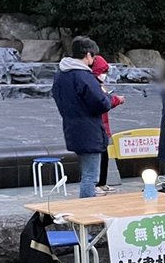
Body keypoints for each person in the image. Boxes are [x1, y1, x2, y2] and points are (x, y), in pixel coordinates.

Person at [51, 36, 124, 199]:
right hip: (89, 131)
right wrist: (110, 99)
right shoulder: (83, 76)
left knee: (87, 174)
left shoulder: (61, 75)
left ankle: (86, 207)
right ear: (88, 55)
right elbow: (101, 102)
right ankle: (87, 209)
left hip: (72, 128)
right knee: (90, 177)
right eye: (93, 56)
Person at [89, 55, 115, 193]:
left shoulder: (99, 84)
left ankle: (103, 182)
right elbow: (103, 103)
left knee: (105, 156)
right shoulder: (92, 84)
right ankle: (95, 185)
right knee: (96, 158)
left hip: (104, 127)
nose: (104, 74)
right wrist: (116, 100)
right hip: (96, 127)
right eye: (103, 71)